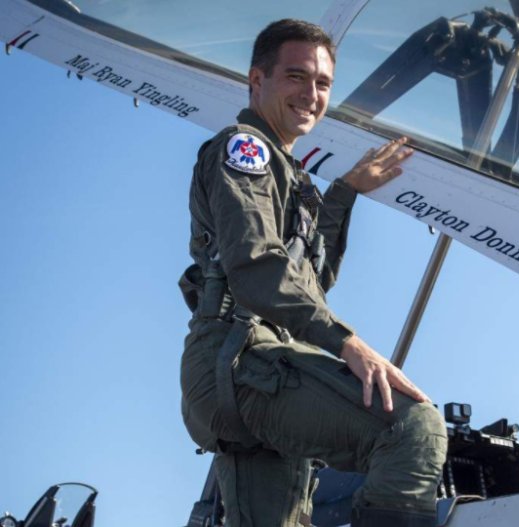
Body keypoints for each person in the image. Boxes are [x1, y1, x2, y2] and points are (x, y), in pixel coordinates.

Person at [179, 18, 447, 527]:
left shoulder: (288, 173)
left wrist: (345, 191)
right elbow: (258, 267)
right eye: (296, 77)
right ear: (257, 81)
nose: (311, 94)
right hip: (243, 361)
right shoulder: (246, 149)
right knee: (414, 429)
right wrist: (347, 342)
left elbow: (306, 278)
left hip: (252, 366)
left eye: (322, 83)